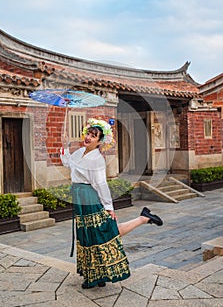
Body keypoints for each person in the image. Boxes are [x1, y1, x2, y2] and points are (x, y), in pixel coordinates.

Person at [60, 118, 163, 289]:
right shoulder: (79, 152)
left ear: (99, 141)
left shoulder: (97, 160)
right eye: (88, 133)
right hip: (80, 199)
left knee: (103, 232)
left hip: (90, 198)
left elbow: (100, 184)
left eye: (94, 135)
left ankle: (143, 219)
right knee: (87, 235)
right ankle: (96, 275)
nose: (88, 137)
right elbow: (67, 163)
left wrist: (108, 208)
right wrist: (65, 145)